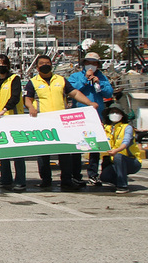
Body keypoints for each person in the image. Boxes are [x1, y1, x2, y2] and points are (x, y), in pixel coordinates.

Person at [25, 54, 100, 189]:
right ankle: (46, 180)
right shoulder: (33, 82)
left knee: (65, 153)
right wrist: (30, 108)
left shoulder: (61, 80)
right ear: (37, 67)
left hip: (61, 122)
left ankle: (66, 180)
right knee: (43, 154)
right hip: (43, 122)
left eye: (47, 63)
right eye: (41, 64)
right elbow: (28, 99)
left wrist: (89, 103)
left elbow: (74, 93)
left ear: (52, 65)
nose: (45, 65)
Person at [67, 52, 114, 186]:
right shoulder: (76, 76)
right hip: (78, 116)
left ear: (98, 65)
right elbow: (71, 90)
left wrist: (99, 83)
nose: (91, 66)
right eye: (89, 63)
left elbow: (109, 93)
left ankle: (93, 174)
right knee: (76, 146)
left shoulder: (102, 77)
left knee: (94, 146)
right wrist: (85, 80)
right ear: (84, 64)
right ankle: (76, 174)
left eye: (94, 63)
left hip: (95, 116)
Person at [0, 54, 25, 190]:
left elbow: (15, 96)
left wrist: (5, 109)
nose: (1, 66)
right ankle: (5, 179)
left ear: (8, 65)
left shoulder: (14, 79)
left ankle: (20, 180)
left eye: (3, 63)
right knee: (3, 152)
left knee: (17, 153)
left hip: (13, 118)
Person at [100, 106, 142, 193]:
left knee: (118, 156)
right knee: (104, 177)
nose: (114, 114)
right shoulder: (106, 128)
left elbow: (126, 142)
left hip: (132, 161)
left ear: (122, 115)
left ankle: (122, 186)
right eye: (112, 112)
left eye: (117, 112)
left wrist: (116, 150)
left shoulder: (127, 128)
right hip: (115, 162)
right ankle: (119, 180)